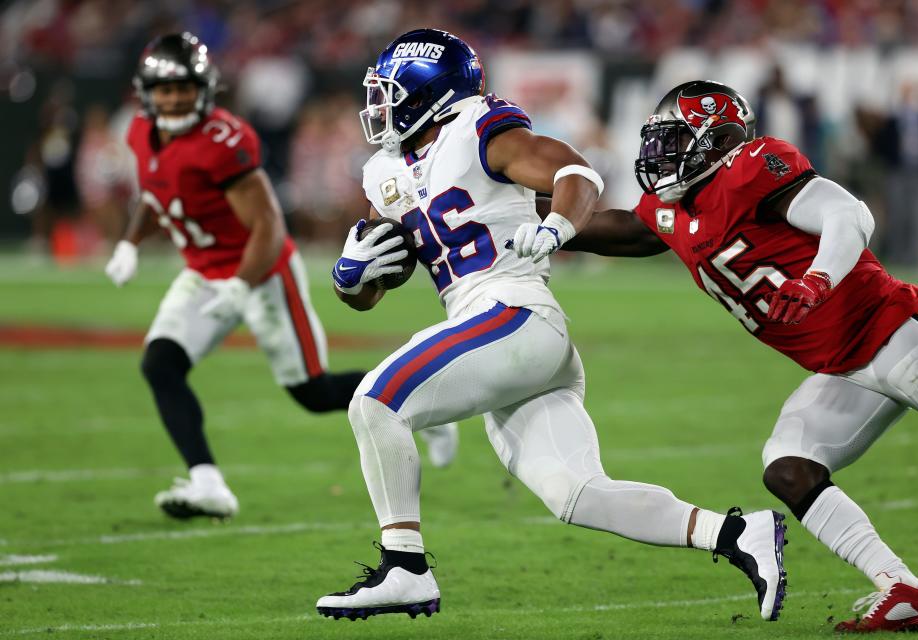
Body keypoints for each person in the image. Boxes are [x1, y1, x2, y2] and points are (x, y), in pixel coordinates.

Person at [315, 29, 786, 623]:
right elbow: (375, 287)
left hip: (513, 315)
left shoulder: (477, 129)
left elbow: (577, 175)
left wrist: (557, 228)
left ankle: (404, 567)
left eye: (392, 90)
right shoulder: (384, 172)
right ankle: (736, 535)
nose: (379, 105)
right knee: (576, 493)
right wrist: (350, 277)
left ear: (429, 92)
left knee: (376, 402)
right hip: (499, 337)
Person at [547, 80, 918, 632]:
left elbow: (849, 215)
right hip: (842, 368)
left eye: (675, 140)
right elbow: (627, 230)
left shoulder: (752, 169)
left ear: (718, 141)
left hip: (898, 331)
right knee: (789, 468)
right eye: (658, 141)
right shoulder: (671, 209)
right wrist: (531, 216)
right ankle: (902, 589)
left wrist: (816, 279)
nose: (660, 153)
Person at [104, 33, 457, 520]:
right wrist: (129, 242)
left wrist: (240, 284)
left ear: (204, 87)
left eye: (184, 87)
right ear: (147, 93)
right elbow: (154, 192)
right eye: (165, 90)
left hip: (262, 270)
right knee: (160, 364)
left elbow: (269, 224)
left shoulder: (223, 140)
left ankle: (413, 402)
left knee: (311, 393)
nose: (175, 98)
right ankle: (208, 483)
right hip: (205, 272)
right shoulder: (142, 133)